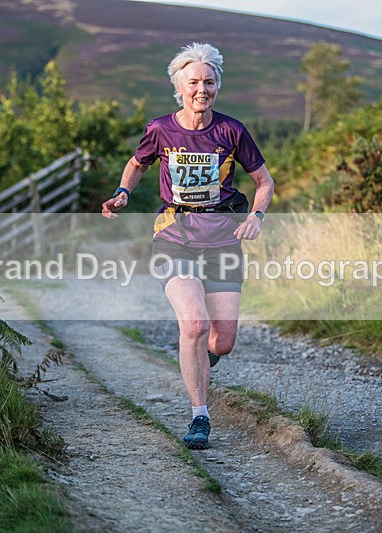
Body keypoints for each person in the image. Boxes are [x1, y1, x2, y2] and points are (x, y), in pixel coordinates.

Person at [101, 42, 274, 449]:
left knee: (222, 341)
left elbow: (264, 181)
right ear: (179, 88)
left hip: (223, 241)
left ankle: (199, 356)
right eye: (193, 82)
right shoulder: (161, 128)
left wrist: (256, 217)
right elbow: (137, 163)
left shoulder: (232, 130)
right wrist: (123, 192)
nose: (202, 89)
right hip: (174, 237)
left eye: (209, 82)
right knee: (194, 325)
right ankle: (200, 415)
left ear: (217, 86)